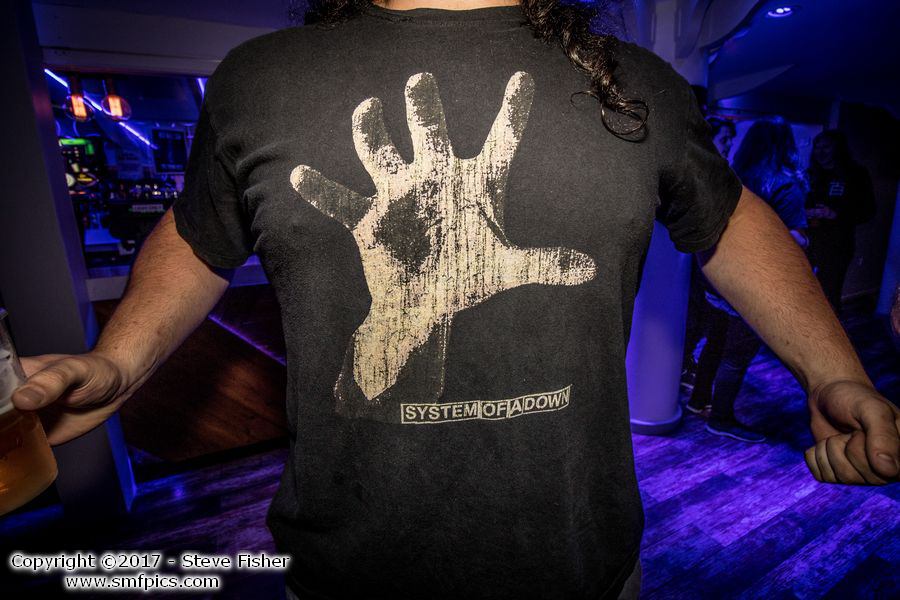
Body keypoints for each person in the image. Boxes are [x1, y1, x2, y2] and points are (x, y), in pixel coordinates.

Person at [9, 1, 899, 599]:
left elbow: (731, 218)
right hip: (344, 572)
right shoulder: (261, 79)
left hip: (582, 571)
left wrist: (834, 372)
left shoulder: (636, 84)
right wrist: (119, 360)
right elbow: (200, 233)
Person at [686, 117, 809, 443]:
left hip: (721, 277)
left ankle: (699, 400)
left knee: (716, 343)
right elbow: (793, 239)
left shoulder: (732, 178)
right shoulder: (785, 185)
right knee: (737, 354)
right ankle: (721, 418)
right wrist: (804, 239)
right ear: (786, 146)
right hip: (756, 283)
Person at [682, 116, 736, 387]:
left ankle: (684, 365)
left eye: (730, 141)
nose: (728, 146)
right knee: (691, 321)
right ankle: (681, 367)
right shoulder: (693, 174)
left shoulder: (719, 175)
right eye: (725, 140)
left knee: (699, 322)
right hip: (688, 264)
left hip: (701, 265)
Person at [805, 129, 877, 312]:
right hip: (808, 240)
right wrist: (805, 212)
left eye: (826, 147)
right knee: (802, 287)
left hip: (837, 244)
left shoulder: (855, 174)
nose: (821, 152)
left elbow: (868, 211)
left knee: (829, 292)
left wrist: (836, 214)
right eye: (817, 147)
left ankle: (827, 328)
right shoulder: (810, 174)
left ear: (838, 149)